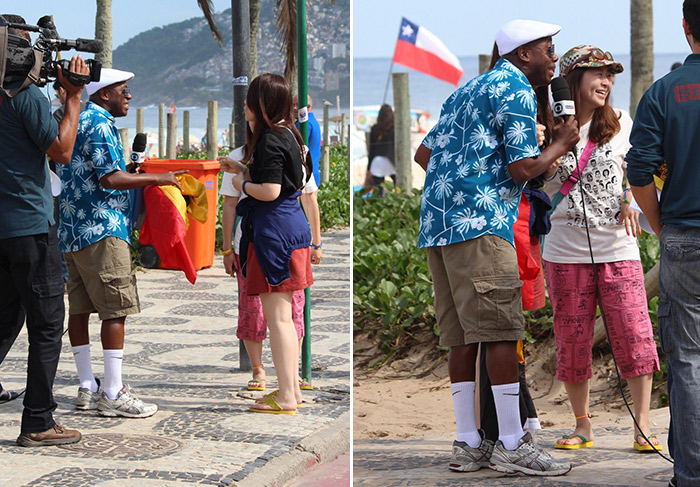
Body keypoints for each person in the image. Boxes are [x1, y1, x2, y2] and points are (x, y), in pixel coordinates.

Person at [413, 19, 579, 476]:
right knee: (503, 331)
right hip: (483, 226)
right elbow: (526, 168)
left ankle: (469, 443)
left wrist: (469, 172)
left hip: (440, 225)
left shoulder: (467, 89)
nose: (553, 58)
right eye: (548, 49)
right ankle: (510, 442)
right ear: (523, 54)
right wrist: (562, 143)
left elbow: (424, 156)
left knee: (462, 337)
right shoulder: (517, 89)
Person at [542, 45, 661, 452]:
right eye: (598, 74)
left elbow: (637, 170)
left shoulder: (622, 122)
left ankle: (642, 424)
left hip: (618, 249)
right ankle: (582, 424)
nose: (607, 81)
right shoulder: (548, 125)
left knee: (634, 334)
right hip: (563, 251)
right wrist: (554, 145)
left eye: (611, 74)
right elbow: (533, 186)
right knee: (572, 338)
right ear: (573, 79)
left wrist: (631, 200)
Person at [57, 68, 184, 418]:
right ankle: (112, 392)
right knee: (116, 310)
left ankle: (86, 387)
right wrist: (161, 178)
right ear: (103, 94)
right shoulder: (100, 124)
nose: (128, 96)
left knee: (80, 309)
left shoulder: (77, 119)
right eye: (123, 90)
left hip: (72, 231)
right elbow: (110, 178)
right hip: (103, 229)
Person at [0, 13, 86, 447]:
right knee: (49, 321)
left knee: (6, 313)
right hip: (31, 225)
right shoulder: (24, 95)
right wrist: (72, 97)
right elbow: (63, 150)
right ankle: (37, 420)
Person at [627, 1, 700, 484]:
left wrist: (660, 223)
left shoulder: (665, 91)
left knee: (689, 358)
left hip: (684, 235)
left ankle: (691, 474)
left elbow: (638, 171)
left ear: (685, 27)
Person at [219, 73, 313, 414]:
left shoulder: (270, 140)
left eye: (250, 99)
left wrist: (242, 184)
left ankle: (287, 394)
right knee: (284, 317)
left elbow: (270, 191)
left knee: (279, 320)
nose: (244, 106)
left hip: (274, 234)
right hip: (293, 229)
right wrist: (243, 167)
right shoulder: (292, 135)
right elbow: (288, 181)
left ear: (262, 104)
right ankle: (291, 391)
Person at [365, 104, 395, 195]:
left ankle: (378, 204)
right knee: (399, 187)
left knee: (378, 191)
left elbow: (371, 150)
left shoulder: (375, 129)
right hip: (392, 162)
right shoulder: (394, 129)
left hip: (377, 162)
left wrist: (368, 168)